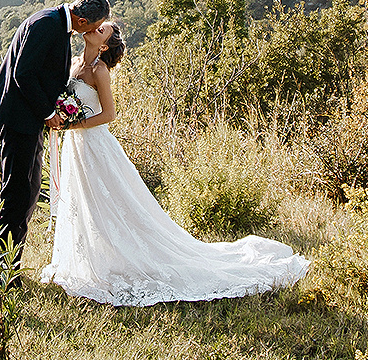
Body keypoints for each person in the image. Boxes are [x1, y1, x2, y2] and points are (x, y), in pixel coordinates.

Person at [39, 20, 310, 305]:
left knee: (112, 203)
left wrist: (73, 125)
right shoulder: (75, 62)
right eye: (96, 26)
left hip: (95, 144)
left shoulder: (100, 71)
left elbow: (109, 114)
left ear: (104, 45)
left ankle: (124, 257)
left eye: (101, 29)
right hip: (75, 147)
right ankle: (88, 259)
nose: (95, 28)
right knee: (82, 202)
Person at [0, 0, 111, 279]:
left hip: (28, 119)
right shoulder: (46, 24)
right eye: (92, 27)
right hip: (18, 119)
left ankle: (9, 267)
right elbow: (23, 74)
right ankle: (3, 273)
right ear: (81, 20)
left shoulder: (57, 24)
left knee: (28, 190)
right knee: (16, 192)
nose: (91, 33)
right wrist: (49, 113)